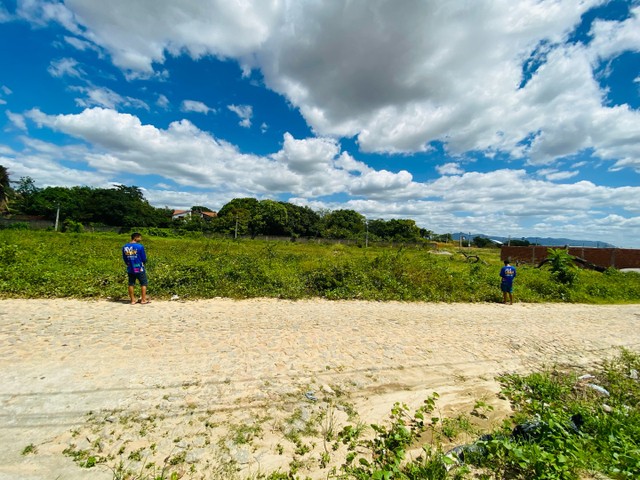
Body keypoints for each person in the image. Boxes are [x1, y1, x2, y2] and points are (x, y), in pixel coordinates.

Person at [122, 232, 149, 305]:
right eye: (140, 237)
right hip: (139, 267)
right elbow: (144, 258)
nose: (141, 239)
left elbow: (124, 258)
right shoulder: (140, 246)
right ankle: (143, 299)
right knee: (143, 283)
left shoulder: (125, 247)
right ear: (135, 238)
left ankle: (133, 300)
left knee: (131, 283)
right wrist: (143, 262)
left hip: (130, 268)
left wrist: (129, 264)